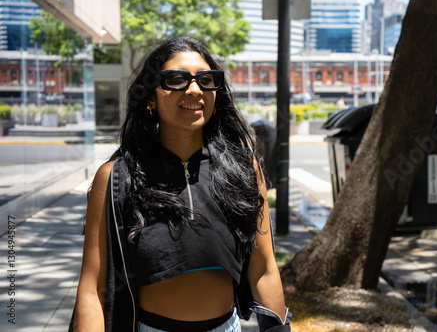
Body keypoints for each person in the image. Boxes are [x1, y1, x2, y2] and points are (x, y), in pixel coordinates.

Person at [70, 36, 291, 332]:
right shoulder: (115, 177)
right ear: (151, 97)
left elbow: (264, 271)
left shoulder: (244, 170)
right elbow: (93, 291)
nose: (195, 89)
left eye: (206, 79)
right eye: (176, 79)